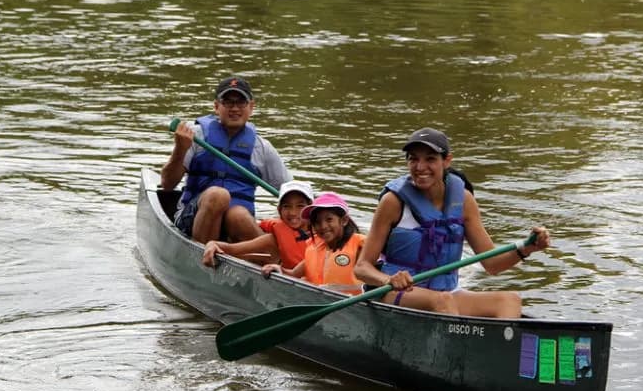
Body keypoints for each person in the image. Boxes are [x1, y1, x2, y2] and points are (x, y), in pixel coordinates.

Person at [353, 127, 551, 318]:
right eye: (413, 159)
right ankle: (459, 351)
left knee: (510, 300)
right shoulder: (393, 202)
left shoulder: (464, 201)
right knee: (442, 301)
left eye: (430, 159)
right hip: (397, 293)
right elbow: (362, 267)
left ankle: (498, 351)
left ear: (447, 161)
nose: (420, 167)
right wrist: (389, 279)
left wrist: (527, 248)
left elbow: (492, 265)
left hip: (447, 292)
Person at [160, 76, 292, 244]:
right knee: (218, 195)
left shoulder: (262, 148)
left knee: (238, 214)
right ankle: (201, 258)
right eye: (228, 102)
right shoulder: (196, 135)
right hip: (193, 220)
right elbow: (167, 184)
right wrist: (180, 149)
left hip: (236, 225)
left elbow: (291, 194)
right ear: (216, 106)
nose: (235, 108)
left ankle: (281, 263)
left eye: (241, 102)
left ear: (251, 107)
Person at [262, 192, 366, 295]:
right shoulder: (315, 248)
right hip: (317, 301)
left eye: (329, 219)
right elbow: (294, 274)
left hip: (351, 306)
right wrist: (278, 269)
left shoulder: (360, 246)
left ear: (344, 220)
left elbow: (374, 279)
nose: (323, 226)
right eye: (317, 222)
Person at [202, 180, 314, 269]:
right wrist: (212, 244)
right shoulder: (272, 239)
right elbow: (233, 249)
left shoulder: (323, 231)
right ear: (279, 210)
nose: (293, 213)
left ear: (310, 209)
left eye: (300, 206)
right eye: (287, 206)